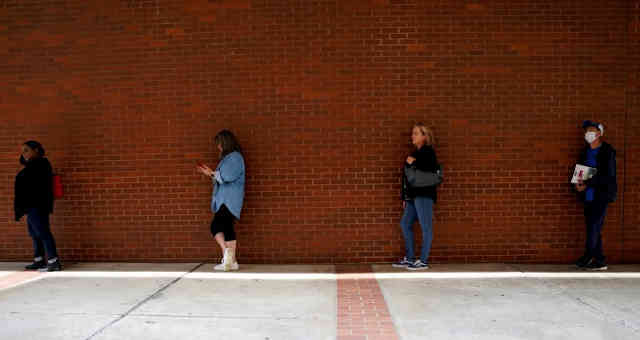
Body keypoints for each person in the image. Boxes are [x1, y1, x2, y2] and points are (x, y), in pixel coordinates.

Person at [393, 123, 439, 270]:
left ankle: (423, 260)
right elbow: (406, 178)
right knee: (405, 224)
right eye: (413, 133)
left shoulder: (429, 152)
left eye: (416, 133)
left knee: (426, 227)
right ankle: (410, 258)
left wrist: (414, 163)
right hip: (412, 196)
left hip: (424, 195)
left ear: (424, 136)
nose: (412, 136)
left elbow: (430, 171)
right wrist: (404, 198)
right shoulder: (414, 153)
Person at [198, 130, 246, 271]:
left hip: (229, 198)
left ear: (225, 143)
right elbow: (222, 176)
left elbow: (228, 176)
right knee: (224, 226)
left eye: (219, 144)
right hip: (226, 198)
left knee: (218, 226)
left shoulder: (235, 157)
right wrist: (211, 173)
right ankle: (231, 261)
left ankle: (228, 256)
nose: (218, 147)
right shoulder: (231, 158)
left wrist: (211, 173)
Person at [574, 120, 617, 271]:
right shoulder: (585, 151)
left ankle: (588, 256)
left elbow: (608, 175)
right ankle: (599, 260)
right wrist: (578, 185)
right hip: (587, 195)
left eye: (591, 131)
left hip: (601, 195)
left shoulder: (607, 151)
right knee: (593, 228)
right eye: (586, 131)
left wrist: (588, 184)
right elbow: (580, 170)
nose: (588, 134)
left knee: (593, 227)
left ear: (599, 133)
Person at [14, 141, 61, 272]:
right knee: (34, 233)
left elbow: (36, 185)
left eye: (26, 150)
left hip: (38, 205)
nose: (23, 153)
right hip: (31, 206)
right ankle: (39, 260)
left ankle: (53, 262)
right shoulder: (31, 165)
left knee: (43, 232)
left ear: (36, 150)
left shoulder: (41, 164)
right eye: (22, 151)